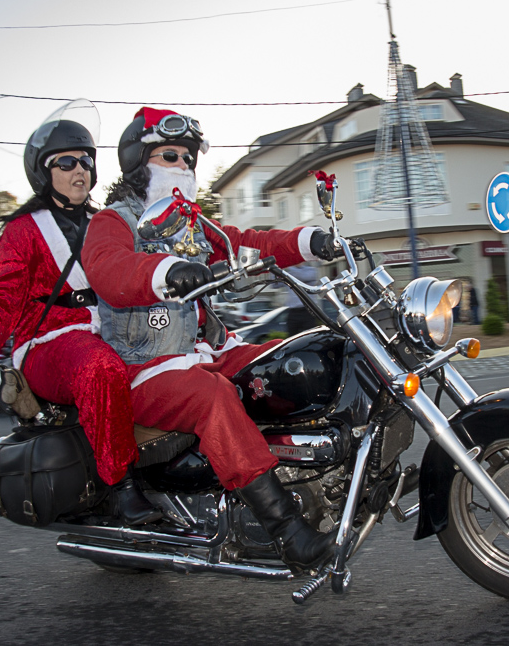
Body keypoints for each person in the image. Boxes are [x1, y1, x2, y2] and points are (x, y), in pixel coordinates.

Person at [83, 107, 340, 572]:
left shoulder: (193, 226)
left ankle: (328, 473)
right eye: (170, 156)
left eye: (188, 158)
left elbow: (250, 242)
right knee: (213, 397)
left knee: (290, 362)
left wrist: (309, 242)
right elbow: (108, 270)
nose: (183, 165)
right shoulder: (112, 221)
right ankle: (287, 531)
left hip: (208, 350)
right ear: (139, 163)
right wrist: (166, 270)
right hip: (145, 367)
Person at [0, 100, 159, 526]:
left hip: (112, 331)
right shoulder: (23, 230)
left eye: (86, 160)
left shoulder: (109, 222)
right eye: (65, 162)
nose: (79, 169)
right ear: (43, 172)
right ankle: (122, 487)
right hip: (49, 341)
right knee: (100, 370)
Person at [284, 263, 321, 336]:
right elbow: (274, 285)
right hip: (293, 312)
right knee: (292, 337)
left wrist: (285, 269)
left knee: (310, 336)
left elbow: (302, 276)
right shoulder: (288, 274)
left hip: (307, 311)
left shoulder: (310, 270)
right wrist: (274, 270)